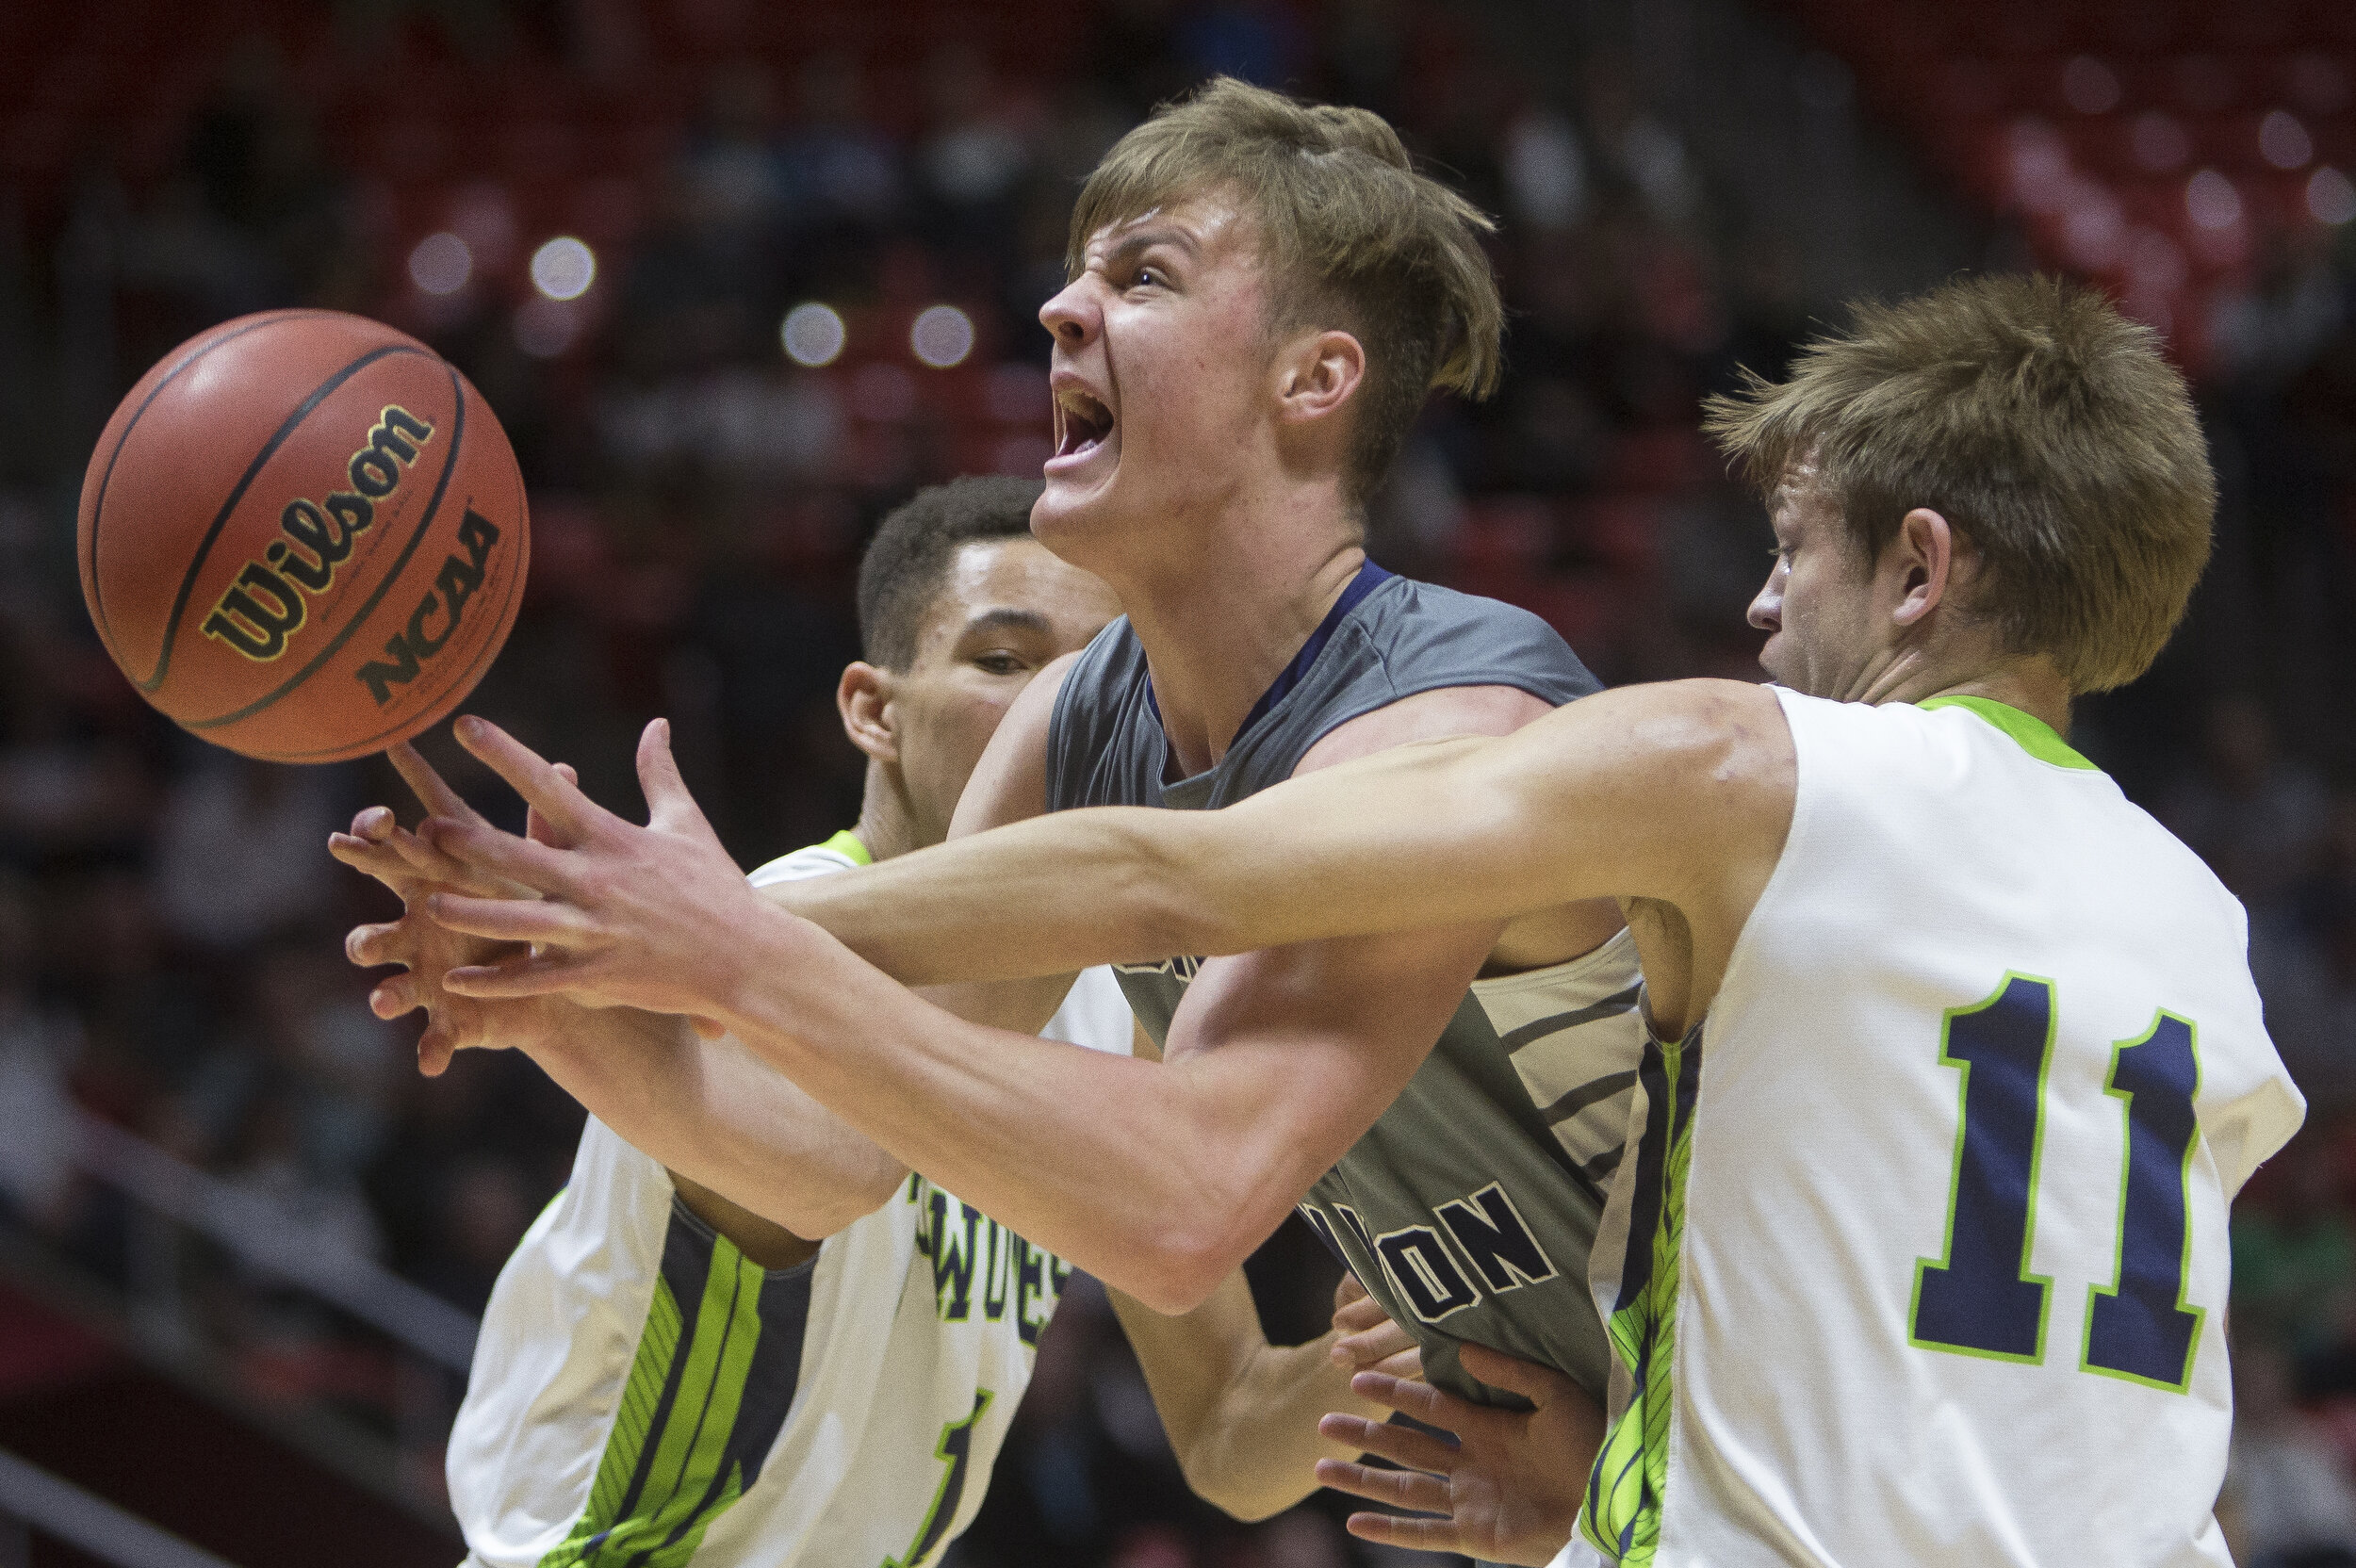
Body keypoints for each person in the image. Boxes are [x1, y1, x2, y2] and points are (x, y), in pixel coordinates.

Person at [410, 276, 2306, 1563]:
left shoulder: (1747, 767)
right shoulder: (2205, 932)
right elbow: (1980, 1395)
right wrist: (1575, 1493)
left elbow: (1184, 870)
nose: (1752, 612)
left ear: (1916, 570)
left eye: (1786, 551)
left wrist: (728, 937)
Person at [348, 77, 1641, 1564]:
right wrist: (549, 984)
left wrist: (725, 948)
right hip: (1592, 1482)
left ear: (1314, 380)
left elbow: (1186, 1201)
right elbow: (831, 1160)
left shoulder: (1448, 721)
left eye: (1143, 275)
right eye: (1076, 270)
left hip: (1772, 1446)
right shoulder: (1084, 724)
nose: (1060, 311)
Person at [350, 478, 1416, 1567]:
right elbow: (827, 1166)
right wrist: (550, 1009)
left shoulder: (1107, 996)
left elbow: (1230, 1429)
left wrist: (1386, 1351)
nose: (1063, 708)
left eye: (1105, 670)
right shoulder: (767, 925)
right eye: (1004, 660)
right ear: (872, 709)